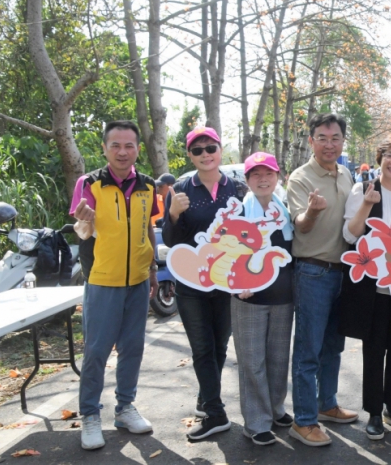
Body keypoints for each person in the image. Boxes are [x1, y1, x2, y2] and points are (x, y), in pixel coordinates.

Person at [70, 120, 159, 451]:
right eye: (116, 145)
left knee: (133, 348)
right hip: (103, 282)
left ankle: (125, 408)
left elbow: (147, 230)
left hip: (137, 281)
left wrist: (152, 270)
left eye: (129, 146)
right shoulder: (89, 184)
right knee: (96, 350)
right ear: (105, 147)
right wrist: (84, 219)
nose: (123, 152)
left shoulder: (147, 187)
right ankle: (90, 414)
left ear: (137, 149)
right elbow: (82, 230)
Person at [163, 126, 248, 440]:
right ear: (190, 155)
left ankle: (206, 397)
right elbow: (173, 241)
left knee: (219, 345)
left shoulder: (239, 189)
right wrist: (172, 214)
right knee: (202, 347)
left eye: (210, 148)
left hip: (228, 281)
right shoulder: (182, 190)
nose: (205, 154)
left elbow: (250, 235)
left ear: (220, 150)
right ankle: (216, 412)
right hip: (192, 284)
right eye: (197, 150)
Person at [340, 133, 391, 440]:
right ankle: (374, 412)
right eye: (390, 154)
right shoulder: (362, 188)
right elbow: (350, 235)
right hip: (372, 288)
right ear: (380, 157)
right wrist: (366, 204)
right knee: (374, 350)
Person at [286, 113, 358, 447]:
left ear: (343, 140)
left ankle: (326, 404)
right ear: (311, 140)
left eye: (335, 138)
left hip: (344, 272)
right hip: (313, 272)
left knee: (333, 347)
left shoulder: (347, 174)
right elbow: (301, 224)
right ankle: (303, 422)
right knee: (308, 351)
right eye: (322, 137)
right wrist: (313, 210)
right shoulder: (300, 178)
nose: (329, 144)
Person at [231, 152, 295, 446]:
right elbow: (226, 255)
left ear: (277, 176)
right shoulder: (238, 214)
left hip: (284, 296)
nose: (263, 179)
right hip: (249, 298)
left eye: (268, 173)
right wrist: (236, 286)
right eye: (255, 174)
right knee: (252, 361)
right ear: (247, 180)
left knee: (279, 358)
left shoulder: (285, 210)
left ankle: (275, 408)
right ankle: (256, 422)